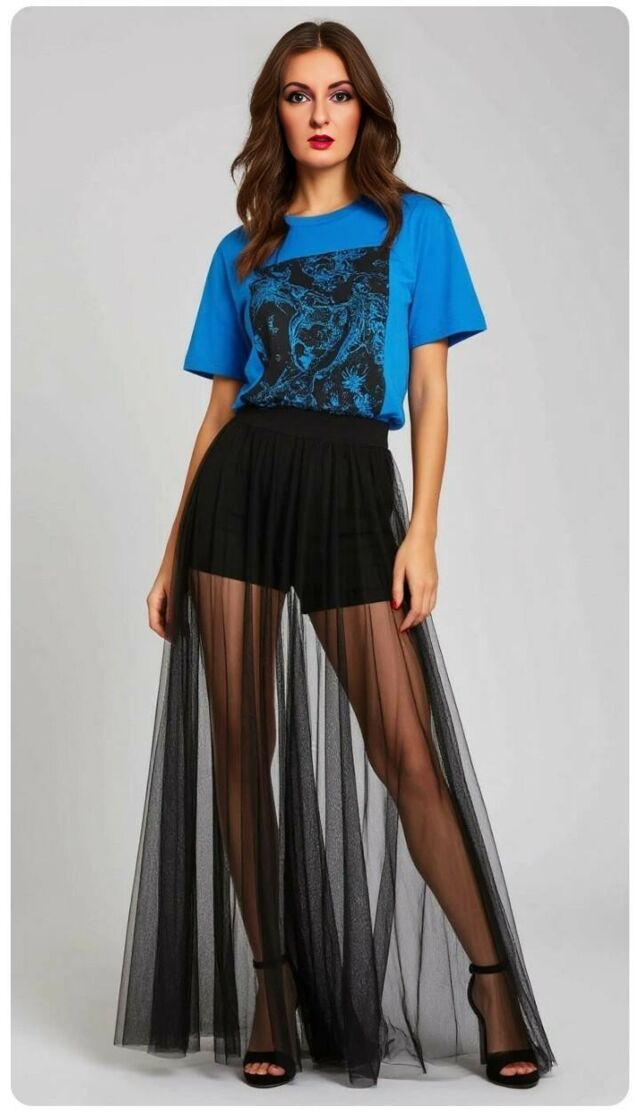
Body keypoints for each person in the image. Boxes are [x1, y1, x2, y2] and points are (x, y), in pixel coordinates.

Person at [114, 19, 557, 1092]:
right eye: (299, 94)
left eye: (339, 93)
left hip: (355, 488)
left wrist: (423, 531)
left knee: (406, 754)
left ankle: (490, 981)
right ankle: (271, 986)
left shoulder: (418, 226)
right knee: (239, 749)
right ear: (274, 112)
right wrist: (172, 553)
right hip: (241, 493)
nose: (320, 114)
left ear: (366, 109)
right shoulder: (242, 250)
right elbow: (218, 414)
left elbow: (432, 389)